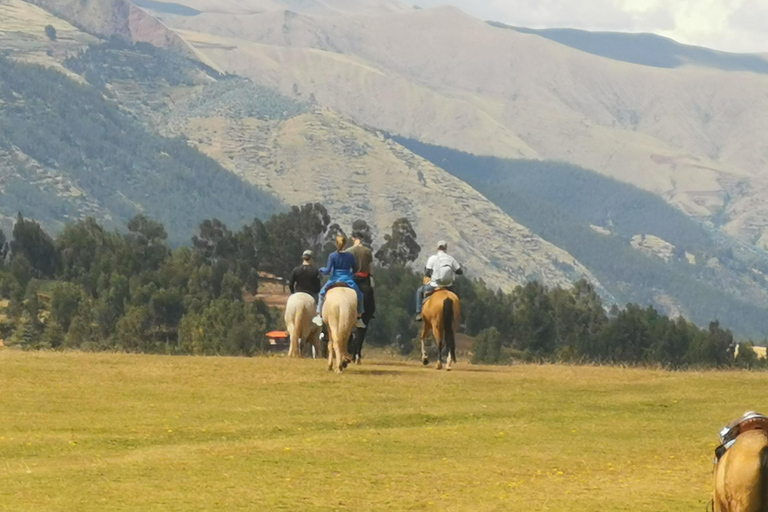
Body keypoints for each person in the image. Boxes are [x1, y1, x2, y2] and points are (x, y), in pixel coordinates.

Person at [313, 235, 366, 328]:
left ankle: (319, 315)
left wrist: (321, 269)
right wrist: (351, 273)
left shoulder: (332, 256)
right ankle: (359, 316)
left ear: (336, 244)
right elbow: (355, 269)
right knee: (360, 295)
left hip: (334, 279)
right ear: (345, 244)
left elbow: (327, 271)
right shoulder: (350, 256)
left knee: (321, 294)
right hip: (347, 279)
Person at [415, 240, 463, 321]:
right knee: (456, 297)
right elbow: (460, 271)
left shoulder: (433, 258)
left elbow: (427, 273)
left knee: (419, 291)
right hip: (448, 286)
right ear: (446, 248)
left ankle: (419, 313)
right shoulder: (451, 259)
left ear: (437, 248)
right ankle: (457, 313)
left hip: (434, 285)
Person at [345, 231, 376, 322]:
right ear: (361, 239)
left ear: (353, 239)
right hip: (364, 278)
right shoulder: (367, 251)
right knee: (370, 295)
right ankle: (370, 313)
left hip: (352, 278)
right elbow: (370, 267)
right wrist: (371, 276)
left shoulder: (348, 251)